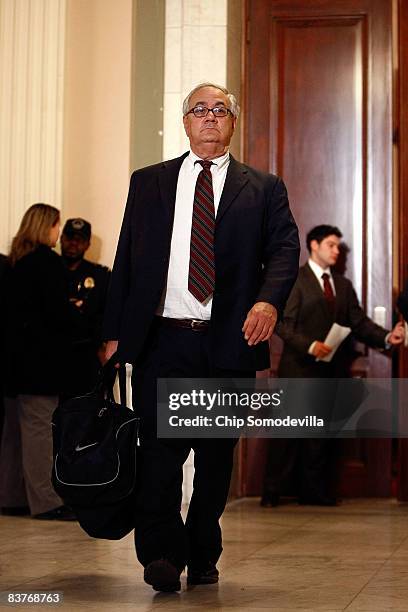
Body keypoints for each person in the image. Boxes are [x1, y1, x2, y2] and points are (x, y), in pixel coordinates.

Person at [103, 82, 300, 591]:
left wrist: (268, 300)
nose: (210, 118)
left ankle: (203, 549)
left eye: (220, 110)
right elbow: (126, 258)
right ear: (185, 121)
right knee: (160, 456)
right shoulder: (148, 182)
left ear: (232, 122)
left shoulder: (263, 187)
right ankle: (162, 554)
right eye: (200, 110)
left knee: (214, 459)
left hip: (227, 343)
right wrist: (111, 333)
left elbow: (284, 249)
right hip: (163, 341)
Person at [261, 224, 405, 507]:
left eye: (339, 247)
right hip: (298, 370)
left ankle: (314, 493)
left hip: (328, 371)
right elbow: (282, 325)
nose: (337, 251)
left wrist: (388, 337)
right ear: (314, 245)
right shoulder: (295, 280)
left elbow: (359, 323)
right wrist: (311, 345)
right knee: (287, 436)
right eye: (331, 245)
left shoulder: (342, 285)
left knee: (320, 436)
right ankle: (272, 492)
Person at [0, 204, 78, 520]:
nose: (58, 233)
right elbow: (58, 314)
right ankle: (46, 501)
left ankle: (11, 496)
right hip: (40, 363)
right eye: (56, 226)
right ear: (47, 227)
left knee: (12, 434)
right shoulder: (47, 263)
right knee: (39, 433)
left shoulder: (12, 263)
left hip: (10, 363)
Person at [60, 218, 110, 396]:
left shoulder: (100, 276)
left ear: (88, 244)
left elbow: (105, 314)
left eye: (79, 239)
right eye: (69, 238)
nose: (73, 243)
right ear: (61, 238)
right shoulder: (50, 270)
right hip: (54, 354)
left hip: (87, 354)